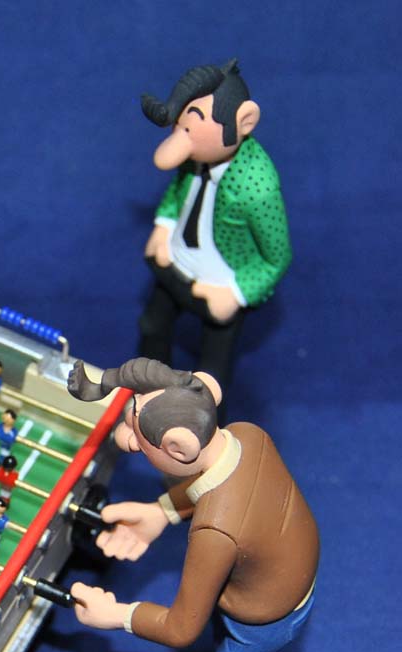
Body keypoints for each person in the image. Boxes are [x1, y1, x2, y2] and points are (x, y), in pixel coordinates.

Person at [68, 358, 318, 652]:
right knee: (222, 637)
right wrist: (160, 512)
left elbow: (181, 628)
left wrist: (115, 614)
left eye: (139, 442)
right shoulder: (246, 435)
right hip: (274, 576)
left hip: (265, 616)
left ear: (178, 448)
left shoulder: (216, 532)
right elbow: (215, 482)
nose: (129, 442)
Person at [138, 61, 291, 413]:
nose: (180, 140)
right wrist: (163, 226)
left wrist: (236, 292)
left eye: (191, 128)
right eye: (180, 126)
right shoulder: (194, 157)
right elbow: (177, 194)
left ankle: (202, 430)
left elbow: (277, 256)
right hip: (174, 265)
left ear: (243, 122)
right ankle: (149, 399)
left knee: (211, 379)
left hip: (218, 285)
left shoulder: (257, 187)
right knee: (151, 326)